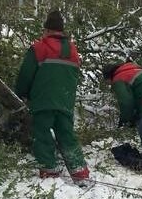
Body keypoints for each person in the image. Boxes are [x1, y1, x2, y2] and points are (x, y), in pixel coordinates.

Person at [14, 11, 91, 185]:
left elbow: (26, 75)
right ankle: (80, 172)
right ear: (62, 31)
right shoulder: (72, 50)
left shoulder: (39, 47)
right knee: (67, 135)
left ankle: (49, 171)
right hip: (65, 100)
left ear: (47, 29)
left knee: (41, 134)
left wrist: (21, 93)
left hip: (43, 100)